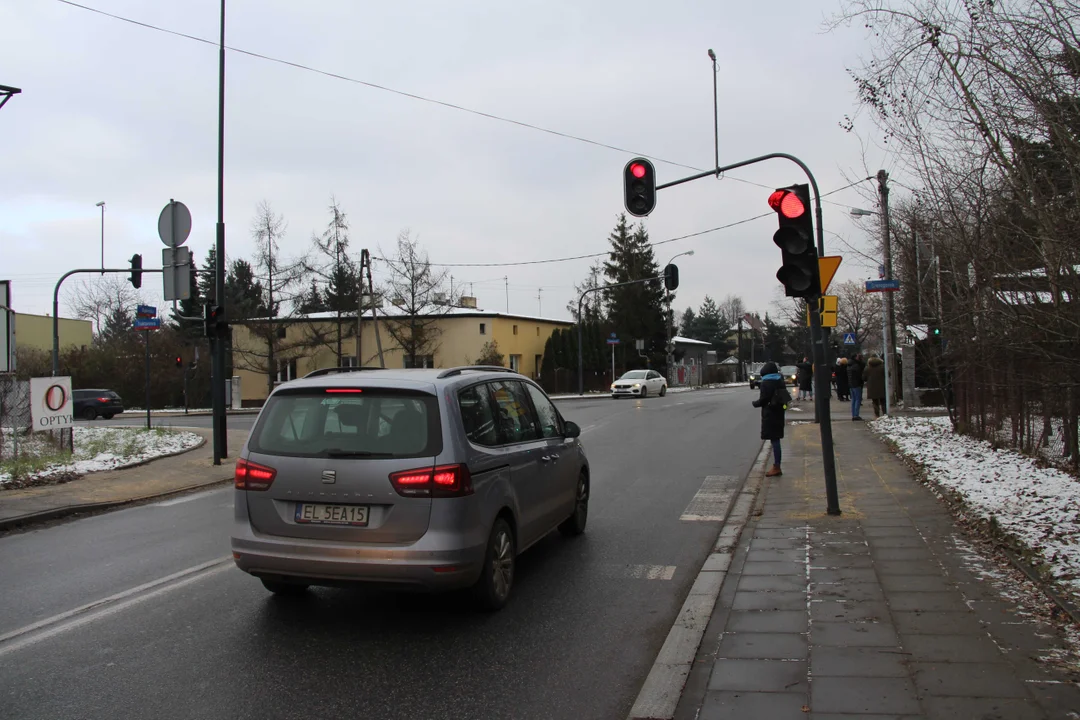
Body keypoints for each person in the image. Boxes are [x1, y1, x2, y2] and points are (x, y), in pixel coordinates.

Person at [752, 362, 787, 477]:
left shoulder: (766, 383)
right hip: (779, 412)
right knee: (776, 439)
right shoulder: (780, 380)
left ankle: (777, 467)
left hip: (770, 413)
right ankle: (777, 465)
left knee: (774, 440)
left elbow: (764, 399)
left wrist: (755, 403)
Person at [865, 353, 886, 417]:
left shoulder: (867, 368)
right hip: (882, 386)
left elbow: (864, 377)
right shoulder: (882, 366)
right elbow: (888, 374)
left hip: (872, 387)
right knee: (883, 401)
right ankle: (885, 414)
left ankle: (877, 415)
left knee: (875, 402)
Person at [848, 354, 865, 420]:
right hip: (856, 384)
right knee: (858, 399)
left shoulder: (849, 365)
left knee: (854, 400)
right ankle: (856, 415)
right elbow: (860, 374)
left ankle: (854, 414)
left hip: (851, 384)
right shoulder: (856, 366)